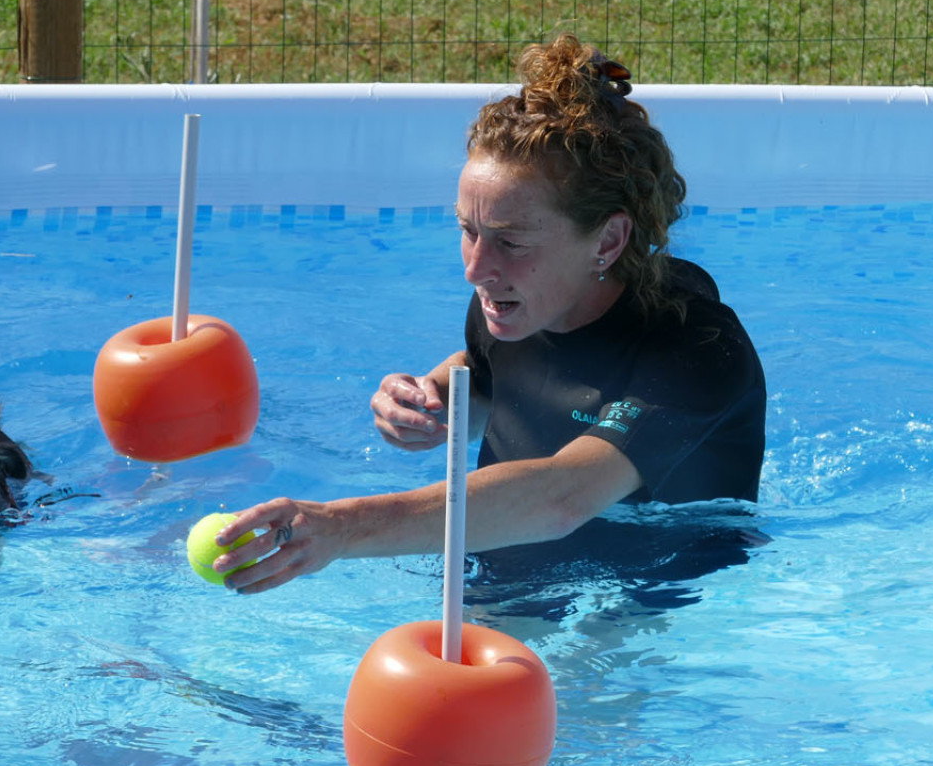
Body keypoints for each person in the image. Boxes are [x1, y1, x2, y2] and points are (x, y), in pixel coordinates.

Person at [212, 35, 767, 594]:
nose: (476, 270)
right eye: (467, 230)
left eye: (511, 241)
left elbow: (562, 498)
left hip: (665, 595)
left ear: (608, 241)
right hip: (519, 567)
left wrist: (343, 527)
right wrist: (433, 398)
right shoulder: (513, 303)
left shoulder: (696, 350)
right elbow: (501, 376)